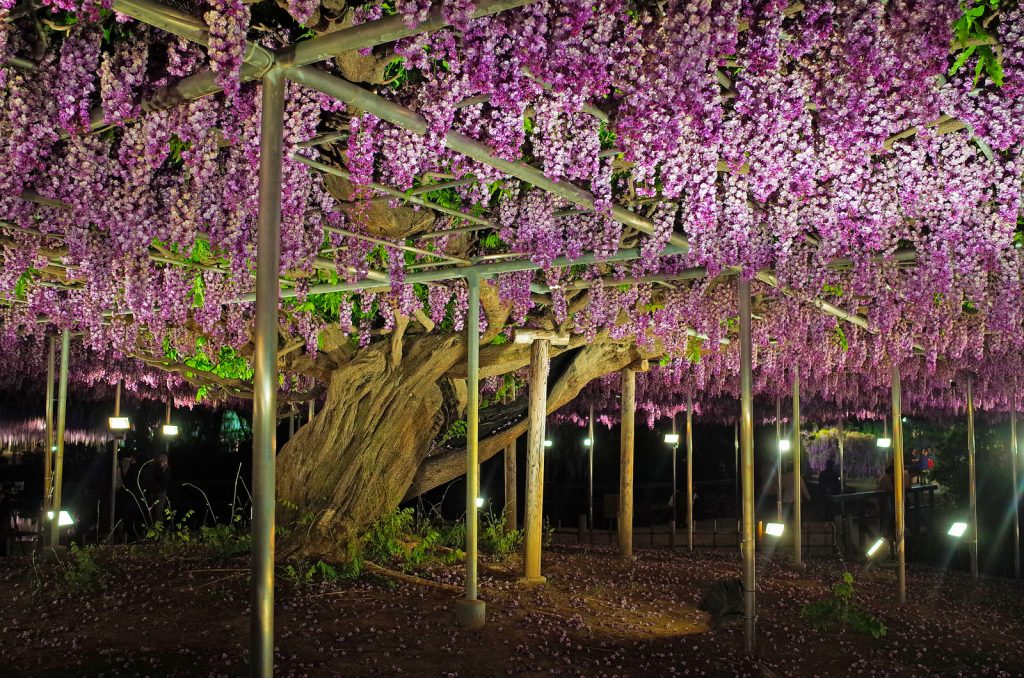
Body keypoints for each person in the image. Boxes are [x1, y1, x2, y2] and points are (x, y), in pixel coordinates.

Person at [780, 461, 811, 529]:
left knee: (787, 517)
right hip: (797, 499)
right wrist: (808, 497)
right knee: (799, 515)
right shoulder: (798, 477)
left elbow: (781, 488)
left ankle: (787, 529)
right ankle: (799, 527)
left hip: (787, 499)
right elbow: (803, 488)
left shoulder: (785, 477)